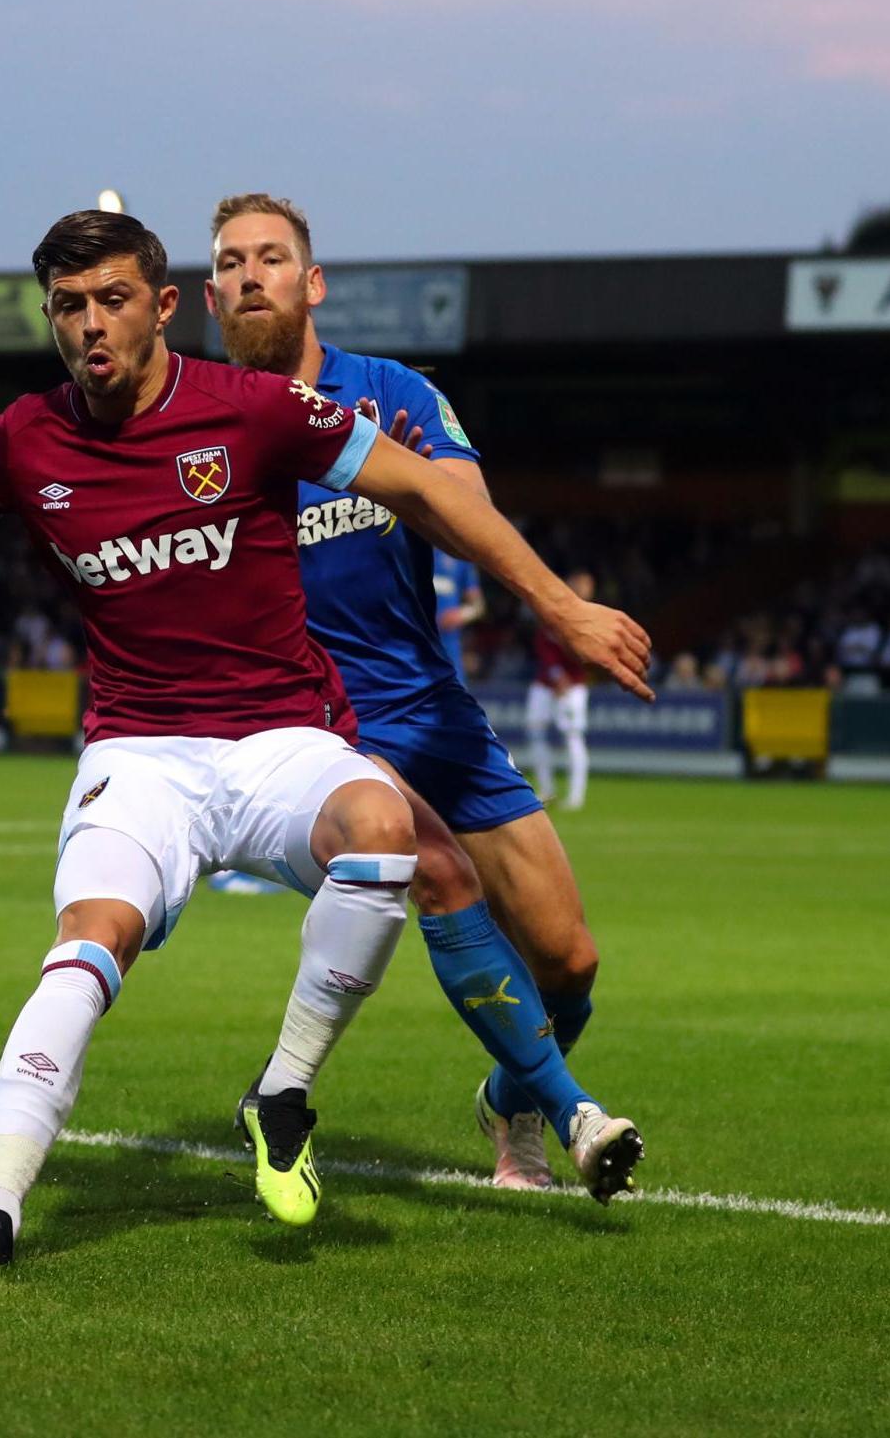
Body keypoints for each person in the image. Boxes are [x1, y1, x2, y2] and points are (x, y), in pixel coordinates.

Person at [0, 211, 652, 1279]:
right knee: (90, 941)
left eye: (112, 300)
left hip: (280, 741)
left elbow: (430, 490)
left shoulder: (255, 410)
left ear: (162, 308)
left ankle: (283, 1091)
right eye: (69, 307)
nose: (90, 327)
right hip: (142, 753)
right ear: (50, 319)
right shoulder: (23, 438)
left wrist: (560, 608)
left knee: (392, 838)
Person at [207, 192, 639, 1192]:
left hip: (434, 717)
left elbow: (465, 508)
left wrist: (554, 605)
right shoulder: (196, 427)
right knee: (441, 876)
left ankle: (507, 1096)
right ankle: (573, 1115)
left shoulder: (389, 393)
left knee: (569, 963)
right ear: (212, 296)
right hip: (318, 732)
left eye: (272, 257)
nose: (252, 274)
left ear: (310, 284)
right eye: (231, 262)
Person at [527, 571, 596, 811]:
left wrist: (565, 679)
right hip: (545, 683)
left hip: (573, 686)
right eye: (578, 584)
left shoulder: (590, 617)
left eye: (586, 586)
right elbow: (542, 644)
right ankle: (546, 788)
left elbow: (586, 653)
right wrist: (556, 675)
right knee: (536, 732)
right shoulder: (552, 612)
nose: (583, 590)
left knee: (573, 735)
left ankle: (576, 796)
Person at [431, 548, 484, 677]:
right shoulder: (409, 550)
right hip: (415, 639)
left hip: (448, 643)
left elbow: (478, 606)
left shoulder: (459, 556)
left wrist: (461, 615)